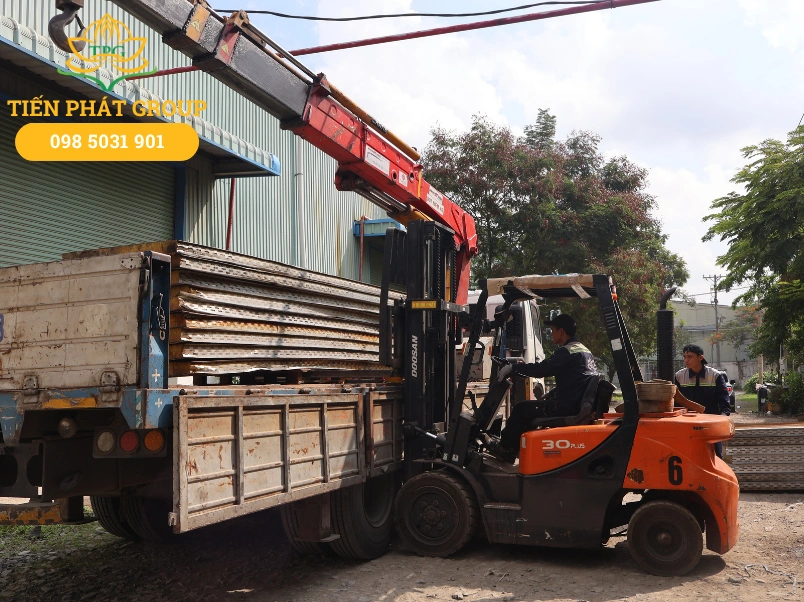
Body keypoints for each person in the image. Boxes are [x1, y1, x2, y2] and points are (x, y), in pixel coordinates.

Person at [487, 314, 598, 463]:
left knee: (521, 409)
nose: (551, 334)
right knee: (530, 409)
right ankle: (519, 447)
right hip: (574, 402)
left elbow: (542, 369)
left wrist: (513, 368)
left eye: (553, 330)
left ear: (561, 331)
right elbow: (576, 379)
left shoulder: (567, 352)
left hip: (565, 406)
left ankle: (506, 449)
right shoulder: (584, 351)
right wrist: (553, 392)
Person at [674, 344, 731, 458]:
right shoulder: (679, 376)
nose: (686, 360)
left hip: (710, 426)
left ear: (700, 357)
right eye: (684, 357)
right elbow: (676, 403)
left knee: (715, 457)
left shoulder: (715, 375)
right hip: (687, 425)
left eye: (690, 357)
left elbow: (724, 400)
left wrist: (722, 419)